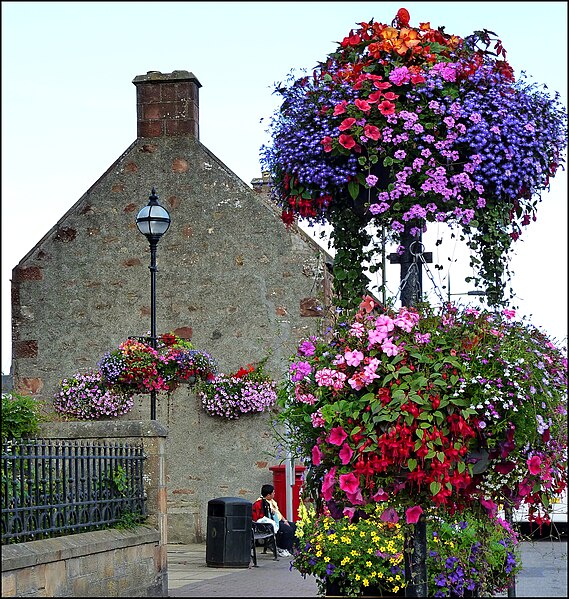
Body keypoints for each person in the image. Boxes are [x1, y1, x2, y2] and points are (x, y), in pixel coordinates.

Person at [252, 483, 297, 558]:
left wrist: (285, 520)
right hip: (271, 523)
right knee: (288, 530)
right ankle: (282, 548)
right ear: (268, 495)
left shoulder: (272, 501)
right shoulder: (261, 503)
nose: (274, 493)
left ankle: (290, 547)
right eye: (273, 492)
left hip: (279, 520)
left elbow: (278, 512)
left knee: (294, 526)